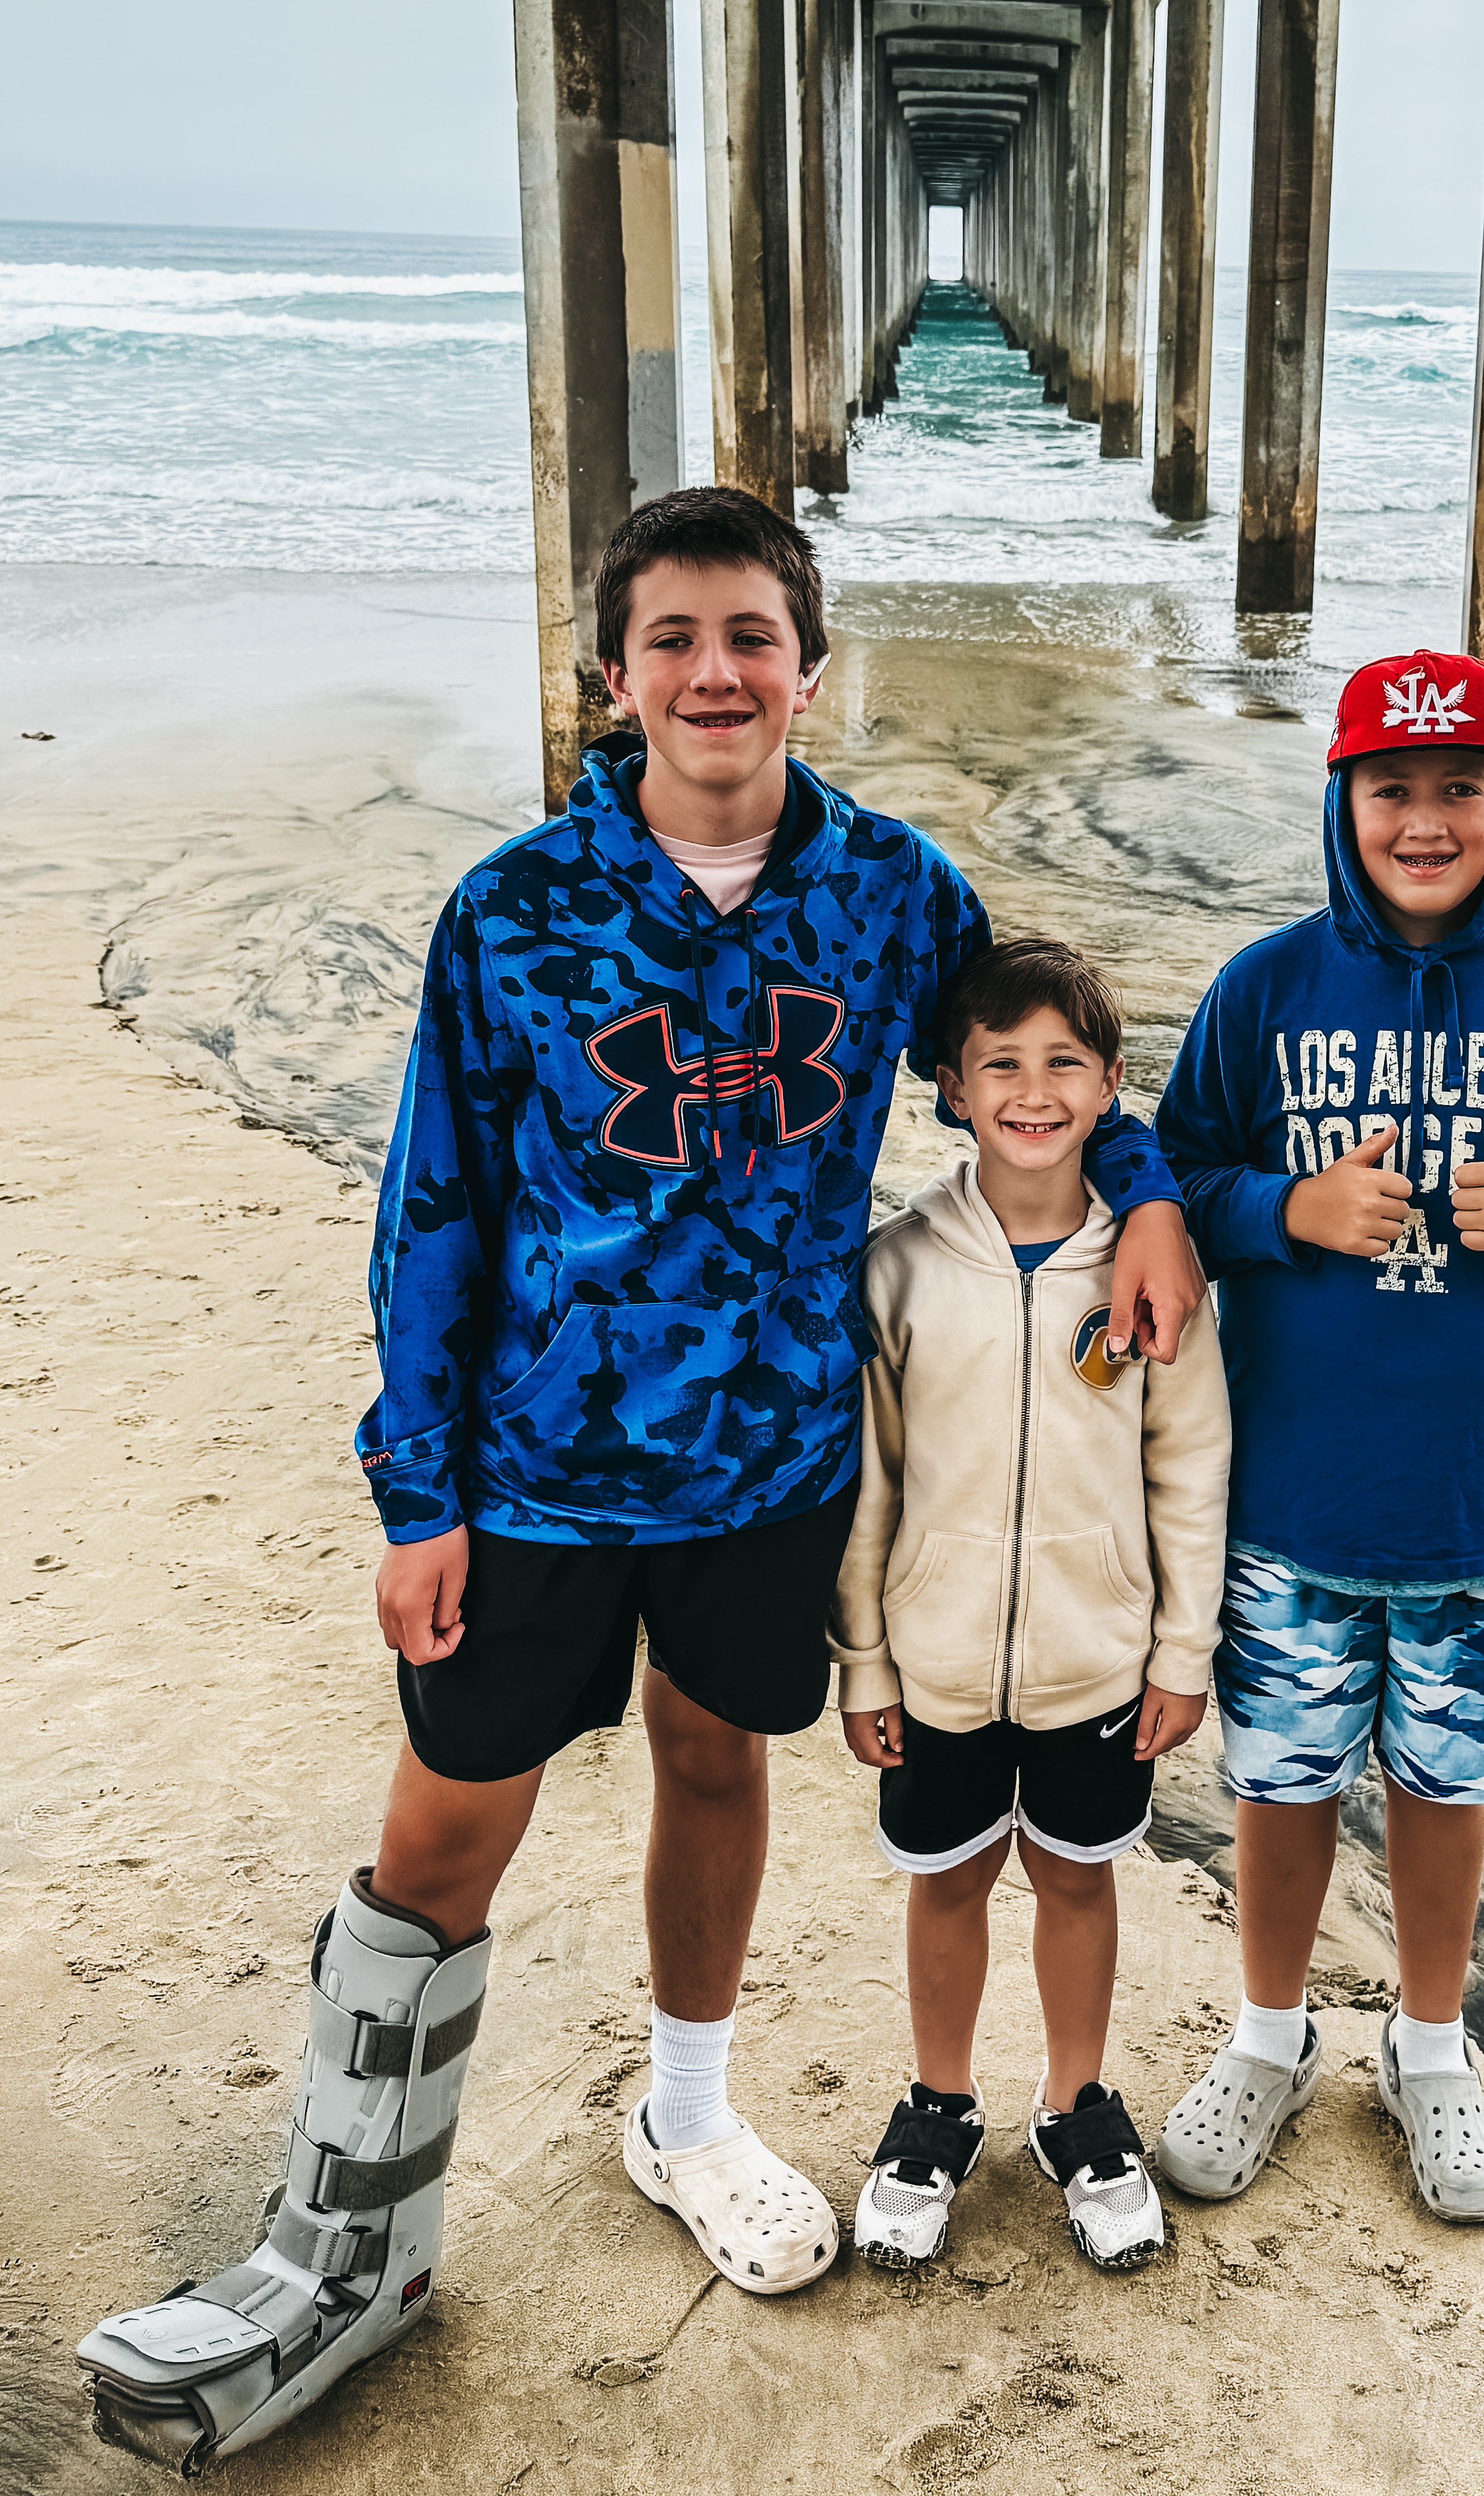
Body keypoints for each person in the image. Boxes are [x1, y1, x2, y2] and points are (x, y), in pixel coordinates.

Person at [79, 489, 1204, 2474]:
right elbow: (438, 1200)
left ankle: (686, 2113)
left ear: (808, 664)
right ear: (615, 673)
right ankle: (346, 2239)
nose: (715, 673)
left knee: (717, 1759)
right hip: (530, 1464)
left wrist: (1157, 1205)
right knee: (445, 1826)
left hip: (771, 1454)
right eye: (673, 637)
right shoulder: (513, 907)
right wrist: (413, 1487)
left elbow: (1035, 1070)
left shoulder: (890, 891)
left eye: (753, 636)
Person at [1147, 649, 1484, 2226]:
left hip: (1478, 1497)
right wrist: (1286, 1206)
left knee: (1448, 1785)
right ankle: (1265, 2035)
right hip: (1290, 1493)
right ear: (1343, 802)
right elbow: (1173, 1177)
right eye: (1394, 789)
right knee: (1285, 1781)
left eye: (1461, 788)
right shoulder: (1266, 988)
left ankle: (1431, 2049)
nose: (1426, 820)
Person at [832, 938, 1230, 2276]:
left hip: (1096, 1654)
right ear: (949, 1084)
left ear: (1113, 1083)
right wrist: (865, 1660)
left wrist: (1182, 1648)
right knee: (948, 1885)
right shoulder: (897, 1266)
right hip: (935, 1657)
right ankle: (939, 2103)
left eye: (1065, 1060)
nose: (1033, 1087)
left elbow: (1191, 1463)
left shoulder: (1151, 1271)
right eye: (999, 1060)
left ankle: (1076, 2105)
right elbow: (868, 1483)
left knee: (1076, 1875)